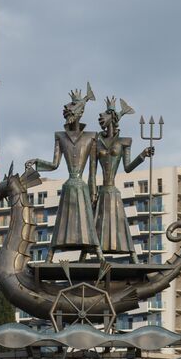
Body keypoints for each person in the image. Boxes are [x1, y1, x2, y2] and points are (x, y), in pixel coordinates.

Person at [26, 85, 100, 259]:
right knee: (62, 223)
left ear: (80, 112)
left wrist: (93, 189)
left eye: (72, 108)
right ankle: (50, 255)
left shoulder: (91, 137)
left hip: (82, 187)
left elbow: (92, 169)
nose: (67, 111)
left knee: (86, 222)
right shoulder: (60, 136)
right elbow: (54, 164)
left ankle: (97, 253)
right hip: (69, 187)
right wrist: (37, 162)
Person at [92, 96, 152, 260]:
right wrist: (93, 193)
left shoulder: (124, 141)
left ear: (112, 117)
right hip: (102, 191)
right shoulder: (96, 142)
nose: (100, 119)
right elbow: (91, 172)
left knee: (121, 224)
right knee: (98, 225)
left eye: (103, 116)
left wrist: (143, 155)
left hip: (113, 191)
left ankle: (133, 258)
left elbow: (127, 168)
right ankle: (94, 255)